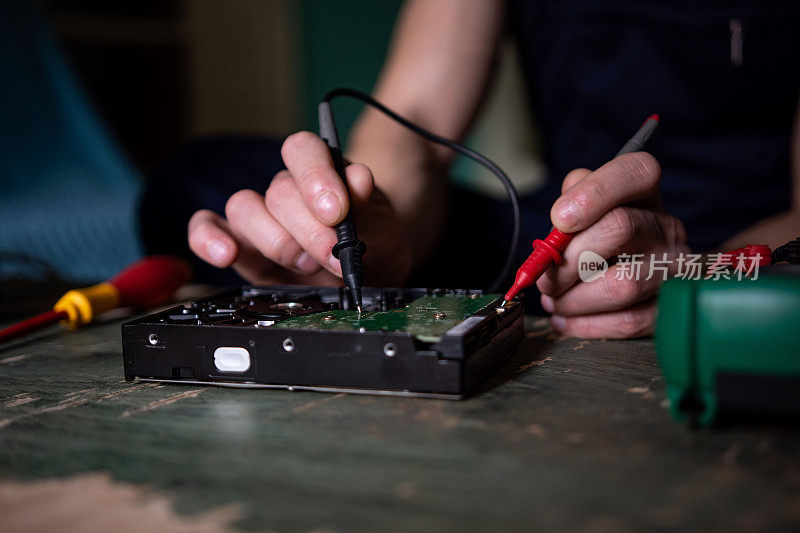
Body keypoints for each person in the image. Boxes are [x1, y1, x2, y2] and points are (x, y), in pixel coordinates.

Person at [176, 0, 800, 338]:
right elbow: (410, 119)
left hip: (750, 246)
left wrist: (696, 272)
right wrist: (365, 224)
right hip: (562, 246)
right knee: (199, 182)